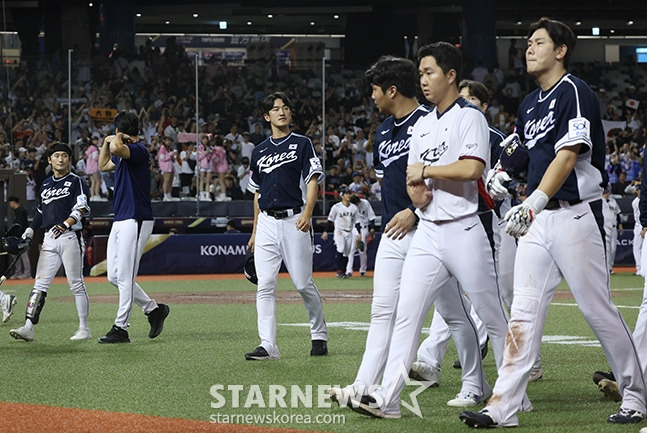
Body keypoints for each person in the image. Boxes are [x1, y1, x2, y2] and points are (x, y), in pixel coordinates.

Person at [459, 18, 646, 428]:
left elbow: (568, 154)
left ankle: (635, 395)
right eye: (527, 43)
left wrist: (534, 201)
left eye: (538, 42)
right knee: (522, 314)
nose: (528, 49)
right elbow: (516, 151)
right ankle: (502, 407)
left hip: (576, 215)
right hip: (539, 222)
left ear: (560, 50)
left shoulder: (574, 92)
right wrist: (501, 174)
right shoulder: (529, 103)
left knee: (598, 310)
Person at [346, 45, 522, 418]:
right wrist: (418, 189)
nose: (423, 80)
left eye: (430, 73)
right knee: (407, 315)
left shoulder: (469, 116)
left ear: (451, 75)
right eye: (421, 74)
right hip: (428, 229)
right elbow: (412, 178)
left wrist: (427, 172)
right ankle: (388, 399)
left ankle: (514, 391)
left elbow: (472, 169)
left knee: (492, 315)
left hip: (464, 228)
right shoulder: (422, 125)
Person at [328, 56, 485, 411]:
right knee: (383, 312)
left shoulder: (429, 122)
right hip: (393, 233)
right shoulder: (384, 130)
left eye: (374, 90)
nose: (371, 96)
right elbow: (393, 185)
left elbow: (445, 176)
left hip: (429, 229)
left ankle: (475, 382)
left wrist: (415, 212)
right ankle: (361, 386)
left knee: (455, 314)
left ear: (392, 90)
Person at [245, 92, 328, 360]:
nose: (282, 112)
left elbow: (313, 179)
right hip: (267, 221)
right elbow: (257, 193)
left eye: (285, 108)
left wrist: (308, 212)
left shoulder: (302, 144)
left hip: (295, 220)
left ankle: (319, 333)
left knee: (303, 283)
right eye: (275, 109)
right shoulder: (259, 151)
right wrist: (255, 230)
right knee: (265, 285)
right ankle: (268, 344)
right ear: (266, 117)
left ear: (290, 114)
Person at [97, 111, 170, 344]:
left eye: (115, 130)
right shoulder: (125, 151)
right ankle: (153, 309)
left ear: (121, 130)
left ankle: (121, 327)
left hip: (136, 218)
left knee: (126, 274)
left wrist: (113, 139)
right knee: (114, 276)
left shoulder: (138, 150)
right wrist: (109, 140)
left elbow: (117, 149)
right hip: (121, 218)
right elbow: (102, 164)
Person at [9, 143, 92, 342]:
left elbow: (81, 208)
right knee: (40, 284)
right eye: (56, 155)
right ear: (49, 159)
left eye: (64, 155)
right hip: (49, 238)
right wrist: (30, 230)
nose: (61, 159)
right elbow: (40, 211)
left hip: (70, 236)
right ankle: (28, 327)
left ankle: (84, 328)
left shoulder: (76, 181)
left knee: (76, 284)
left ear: (69, 159)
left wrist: (65, 223)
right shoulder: (46, 184)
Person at [321, 187, 361, 278]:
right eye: (346, 194)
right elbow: (330, 220)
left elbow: (357, 222)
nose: (349, 195)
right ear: (342, 196)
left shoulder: (354, 207)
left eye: (349, 193)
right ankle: (339, 270)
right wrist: (326, 231)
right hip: (339, 231)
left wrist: (359, 233)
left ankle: (342, 272)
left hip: (349, 231)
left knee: (347, 252)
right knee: (341, 248)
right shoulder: (336, 207)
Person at [345, 192, 376, 277]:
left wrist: (372, 228)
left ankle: (363, 270)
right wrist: (358, 233)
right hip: (354, 228)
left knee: (362, 250)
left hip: (364, 228)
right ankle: (349, 270)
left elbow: (372, 216)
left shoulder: (365, 203)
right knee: (351, 249)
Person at [8, 196, 31, 279]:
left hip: (22, 236)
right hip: (18, 236)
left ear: (13, 202)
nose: (10, 205)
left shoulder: (20, 211)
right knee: (16, 254)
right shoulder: (18, 211)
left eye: (10, 203)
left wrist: (18, 236)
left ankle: (27, 273)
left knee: (24, 255)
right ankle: (18, 272)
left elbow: (21, 225)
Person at [603, 187, 623, 274]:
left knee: (613, 248)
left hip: (614, 227)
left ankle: (610, 266)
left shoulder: (613, 201)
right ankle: (606, 268)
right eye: (605, 193)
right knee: (606, 249)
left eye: (607, 193)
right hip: (604, 227)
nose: (606, 194)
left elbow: (618, 213)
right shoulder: (600, 202)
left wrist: (620, 224)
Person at [86, 136, 103, 201]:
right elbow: (95, 158)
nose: (96, 141)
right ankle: (97, 195)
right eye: (95, 140)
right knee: (98, 181)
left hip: (89, 168)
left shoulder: (89, 148)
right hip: (94, 167)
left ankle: (92, 196)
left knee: (93, 182)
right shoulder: (94, 148)